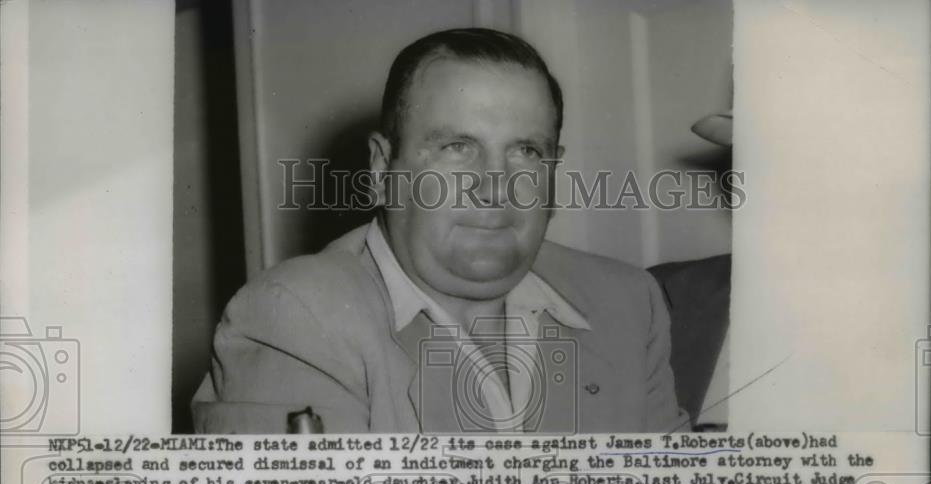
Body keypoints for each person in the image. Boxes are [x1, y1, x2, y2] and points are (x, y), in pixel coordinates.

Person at [192, 28, 686, 434]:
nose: (496, 188)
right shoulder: (296, 316)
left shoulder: (627, 302)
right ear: (383, 169)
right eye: (456, 147)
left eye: (527, 152)